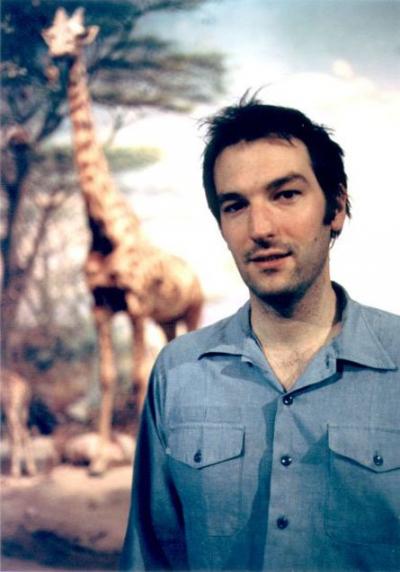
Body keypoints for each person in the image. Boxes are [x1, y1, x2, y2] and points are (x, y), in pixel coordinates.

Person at [120, 96, 400, 571]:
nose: (260, 228)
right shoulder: (178, 372)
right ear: (221, 225)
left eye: (285, 195)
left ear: (336, 206)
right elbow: (152, 557)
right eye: (235, 205)